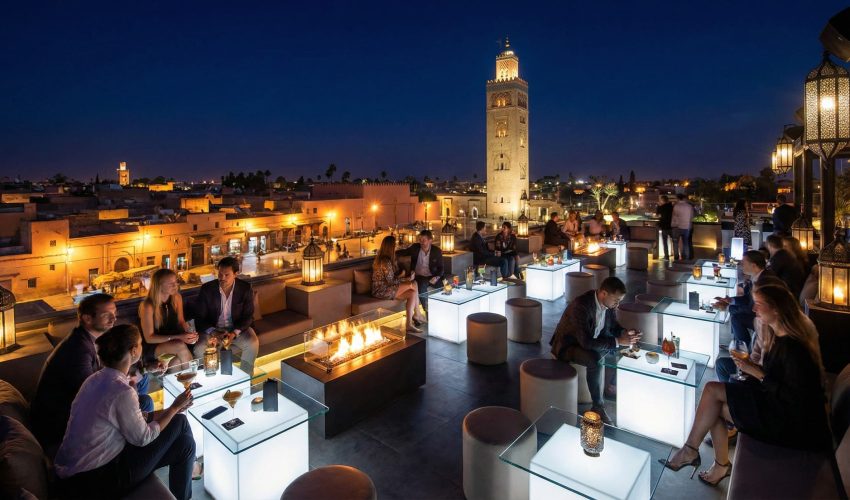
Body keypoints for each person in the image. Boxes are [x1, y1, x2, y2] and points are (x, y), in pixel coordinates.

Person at [660, 285, 831, 486]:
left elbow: (796, 400)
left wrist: (756, 373)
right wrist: (751, 371)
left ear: (776, 309)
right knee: (713, 405)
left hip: (791, 424)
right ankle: (716, 463)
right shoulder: (778, 337)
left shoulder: (795, 349)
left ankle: (694, 453)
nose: (754, 309)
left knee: (712, 393)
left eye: (759, 305)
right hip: (776, 406)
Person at [54, 324, 196, 500]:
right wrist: (174, 408)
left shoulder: (94, 379)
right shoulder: (121, 391)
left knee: (185, 445)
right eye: (140, 344)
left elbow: (132, 418)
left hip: (76, 470)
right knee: (180, 422)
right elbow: (143, 438)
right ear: (134, 351)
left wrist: (171, 410)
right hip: (97, 479)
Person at [549, 277, 641, 424]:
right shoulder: (581, 306)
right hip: (568, 345)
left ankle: (611, 387)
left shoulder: (608, 305)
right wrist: (618, 341)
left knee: (620, 351)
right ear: (603, 293)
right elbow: (586, 342)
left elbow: (613, 327)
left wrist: (625, 333)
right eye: (616, 300)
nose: (618, 304)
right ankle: (598, 406)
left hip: (589, 340)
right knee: (595, 359)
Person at [191, 256, 260, 371]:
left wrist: (234, 333)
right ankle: (208, 380)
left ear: (235, 274)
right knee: (199, 349)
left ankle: (245, 378)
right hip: (213, 329)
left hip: (237, 328)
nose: (222, 278)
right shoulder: (207, 289)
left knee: (252, 344)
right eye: (220, 274)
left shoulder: (245, 288)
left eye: (226, 275)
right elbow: (199, 318)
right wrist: (214, 332)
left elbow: (248, 316)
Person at [712, 250, 776, 349]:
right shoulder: (758, 276)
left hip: (766, 319)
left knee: (737, 318)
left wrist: (727, 308)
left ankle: (744, 349)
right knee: (735, 314)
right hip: (758, 312)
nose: (741, 265)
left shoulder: (763, 282)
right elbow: (747, 298)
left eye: (744, 263)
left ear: (753, 265)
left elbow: (751, 308)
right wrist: (730, 300)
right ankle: (737, 343)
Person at [138, 268, 196, 370]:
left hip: (175, 340)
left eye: (176, 282)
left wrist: (190, 333)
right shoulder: (148, 306)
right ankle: (194, 377)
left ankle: (186, 383)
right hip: (154, 346)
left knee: (176, 362)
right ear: (159, 285)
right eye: (170, 283)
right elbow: (149, 338)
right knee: (179, 345)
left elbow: (181, 321)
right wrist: (178, 337)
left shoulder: (176, 298)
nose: (175, 285)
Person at [372, 235, 426, 333]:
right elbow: (390, 282)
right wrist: (405, 279)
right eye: (395, 244)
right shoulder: (384, 261)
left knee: (412, 293)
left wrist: (404, 277)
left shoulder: (389, 259)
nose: (396, 246)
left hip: (388, 287)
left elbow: (393, 278)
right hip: (381, 290)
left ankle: (409, 324)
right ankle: (417, 314)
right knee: (412, 284)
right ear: (390, 247)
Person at [404, 229, 445, 307]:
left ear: (430, 241)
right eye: (420, 240)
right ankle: (426, 308)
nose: (421, 242)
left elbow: (441, 268)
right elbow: (403, 252)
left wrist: (436, 277)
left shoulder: (436, 251)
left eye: (424, 240)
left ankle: (442, 307)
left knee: (444, 286)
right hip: (419, 276)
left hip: (432, 276)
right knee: (422, 284)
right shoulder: (415, 248)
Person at [765, 234, 804, 299]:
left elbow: (769, 276)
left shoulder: (779, 257)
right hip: (792, 289)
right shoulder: (785, 255)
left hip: (788, 293)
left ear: (769, 245)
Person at [671, 193, 694, 260]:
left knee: (675, 242)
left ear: (678, 199)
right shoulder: (689, 206)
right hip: (687, 227)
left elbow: (674, 216)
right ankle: (686, 257)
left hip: (677, 226)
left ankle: (676, 257)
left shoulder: (676, 206)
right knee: (686, 243)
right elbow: (692, 217)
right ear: (684, 198)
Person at [656, 195, 674, 260]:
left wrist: (658, 206)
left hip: (664, 226)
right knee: (674, 241)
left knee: (665, 242)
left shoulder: (662, 207)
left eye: (660, 200)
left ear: (662, 200)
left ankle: (666, 256)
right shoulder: (671, 206)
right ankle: (676, 256)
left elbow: (657, 214)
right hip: (672, 226)